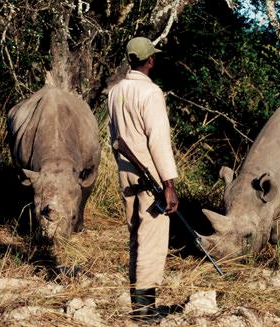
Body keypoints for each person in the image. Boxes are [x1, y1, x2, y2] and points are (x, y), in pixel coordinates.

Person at [108, 36, 179, 322]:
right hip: (150, 176)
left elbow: (115, 137)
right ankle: (145, 310)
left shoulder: (114, 92)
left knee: (136, 235)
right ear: (150, 60)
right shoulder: (151, 94)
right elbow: (159, 141)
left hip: (126, 174)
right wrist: (169, 184)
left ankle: (139, 303)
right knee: (151, 238)